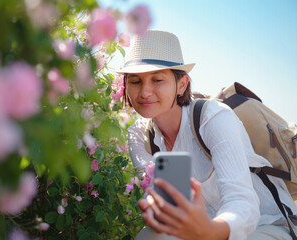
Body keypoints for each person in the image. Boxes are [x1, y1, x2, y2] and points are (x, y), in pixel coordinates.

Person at [116, 30, 297, 240]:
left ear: (181, 85)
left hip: (265, 224)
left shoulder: (212, 117)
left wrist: (208, 231)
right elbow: (161, 200)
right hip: (196, 229)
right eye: (135, 81)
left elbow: (242, 202)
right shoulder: (138, 135)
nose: (145, 92)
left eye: (157, 80)